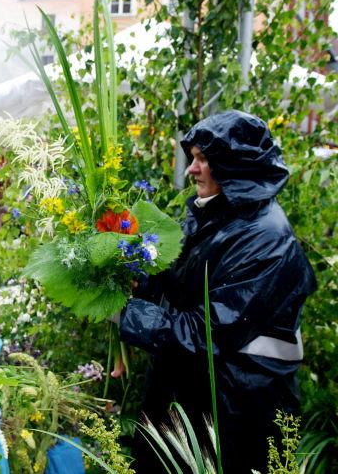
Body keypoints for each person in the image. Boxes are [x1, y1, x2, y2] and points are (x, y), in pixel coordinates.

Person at [118, 110, 316, 473]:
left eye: (202, 159)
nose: (191, 169)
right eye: (193, 157)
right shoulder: (218, 214)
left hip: (237, 410)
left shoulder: (267, 240)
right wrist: (135, 279)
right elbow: (182, 277)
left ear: (234, 166)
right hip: (198, 400)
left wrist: (124, 313)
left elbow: (203, 333)